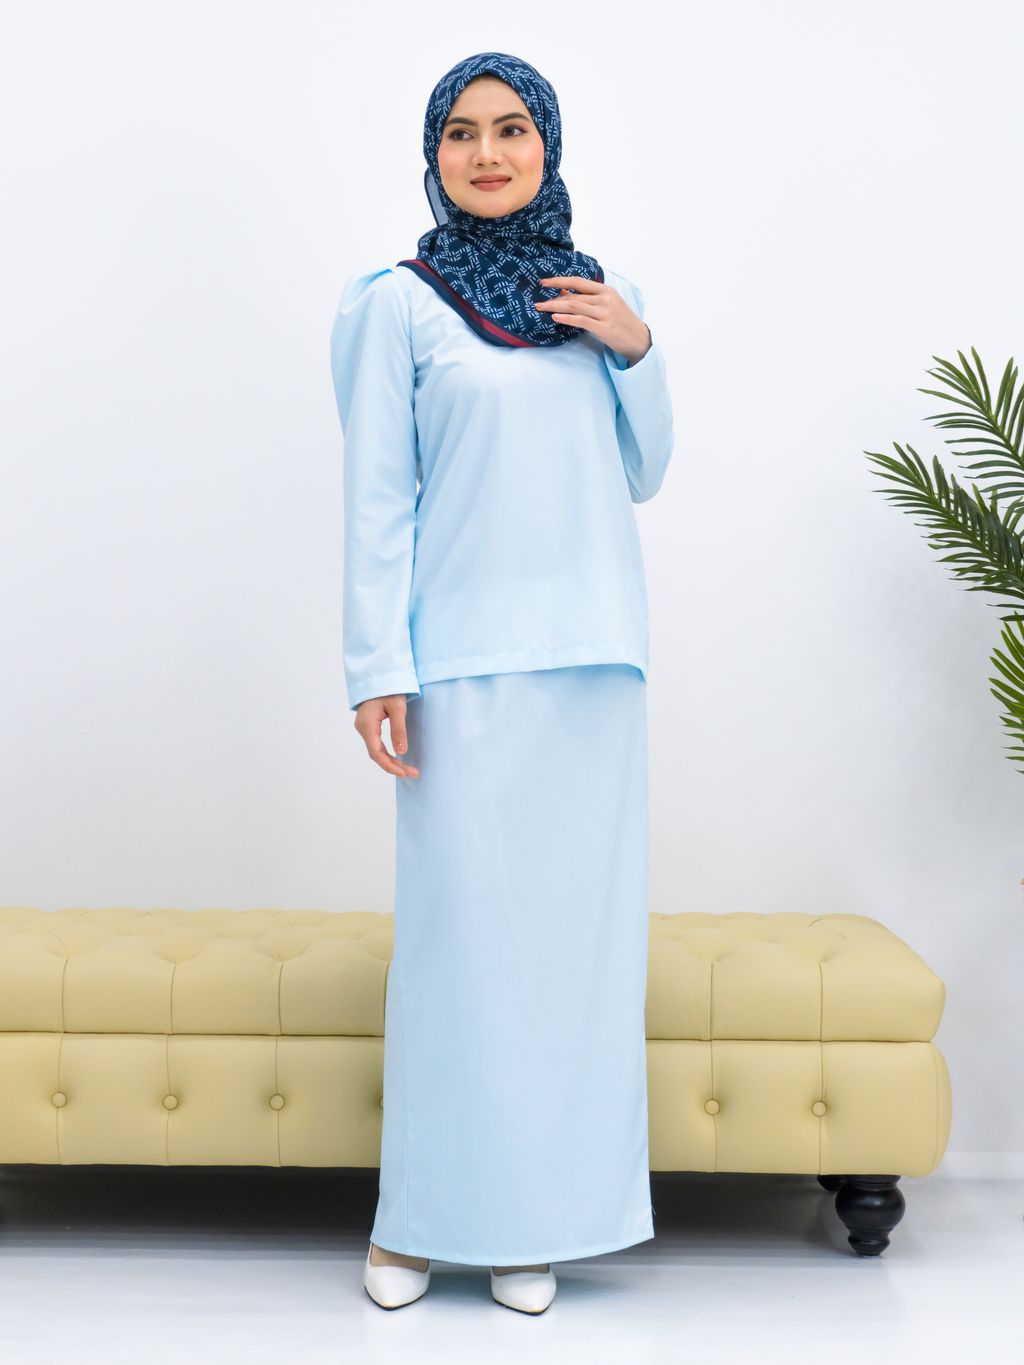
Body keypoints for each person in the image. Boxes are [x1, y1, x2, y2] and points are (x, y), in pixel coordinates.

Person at [328, 50, 674, 1315]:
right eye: (462, 132)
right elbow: (378, 497)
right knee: (460, 954)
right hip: (460, 665)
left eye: (512, 128)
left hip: (593, 663)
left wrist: (638, 349)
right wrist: (377, 666)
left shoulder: (599, 296)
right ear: (434, 154)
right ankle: (418, 1225)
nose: (487, 152)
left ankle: (533, 1223)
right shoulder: (396, 304)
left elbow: (644, 470)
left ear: (547, 147)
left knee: (571, 961)